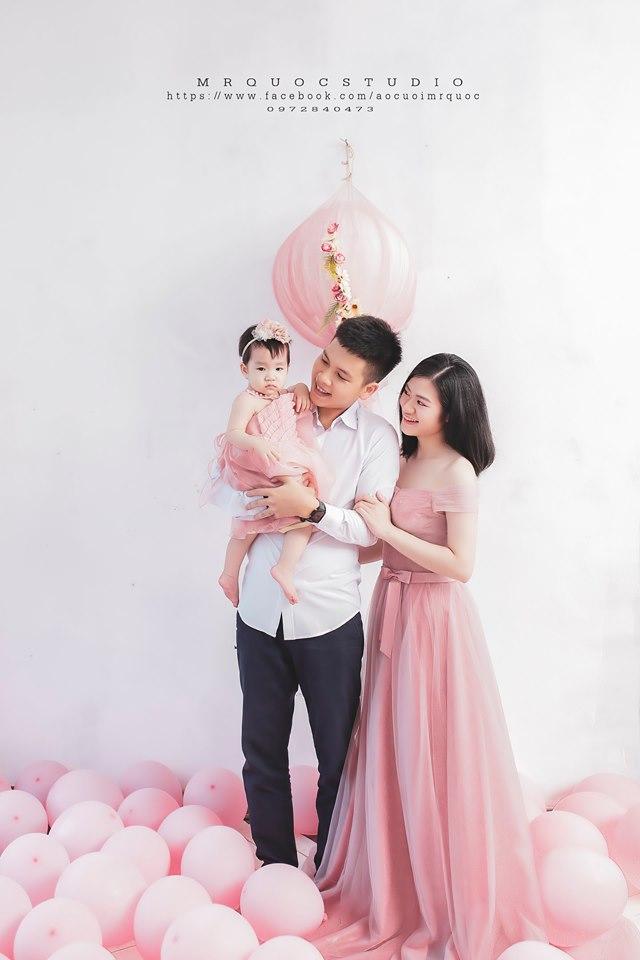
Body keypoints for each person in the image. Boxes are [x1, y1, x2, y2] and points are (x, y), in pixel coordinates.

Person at [310, 354, 549, 960]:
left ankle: (441, 887)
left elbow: (460, 565)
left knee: (435, 741)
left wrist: (385, 530)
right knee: (393, 737)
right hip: (392, 606)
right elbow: (377, 544)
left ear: (452, 411)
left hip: (435, 619)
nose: (408, 408)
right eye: (407, 395)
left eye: (423, 401)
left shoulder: (458, 471)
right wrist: (323, 534)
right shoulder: (401, 458)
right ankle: (394, 876)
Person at [204, 316, 402, 871]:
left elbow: (371, 532)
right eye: (323, 361)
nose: (323, 378)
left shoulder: (377, 440)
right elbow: (230, 479)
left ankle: (334, 871)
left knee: (336, 755)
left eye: (342, 375)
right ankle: (273, 864)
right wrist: (260, 497)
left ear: (369, 388)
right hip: (259, 611)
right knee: (261, 749)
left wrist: (311, 509)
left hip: (329, 619)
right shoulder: (279, 405)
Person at [202, 319, 332, 606]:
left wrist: (300, 388)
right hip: (258, 464)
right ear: (245, 369)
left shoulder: (284, 393)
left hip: (286, 462)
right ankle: (229, 573)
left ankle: (284, 567)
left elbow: (297, 388)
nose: (271, 377)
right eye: (261, 369)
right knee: (246, 523)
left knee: (306, 513)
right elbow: (233, 433)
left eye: (279, 369)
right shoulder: (247, 400)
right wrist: (255, 442)